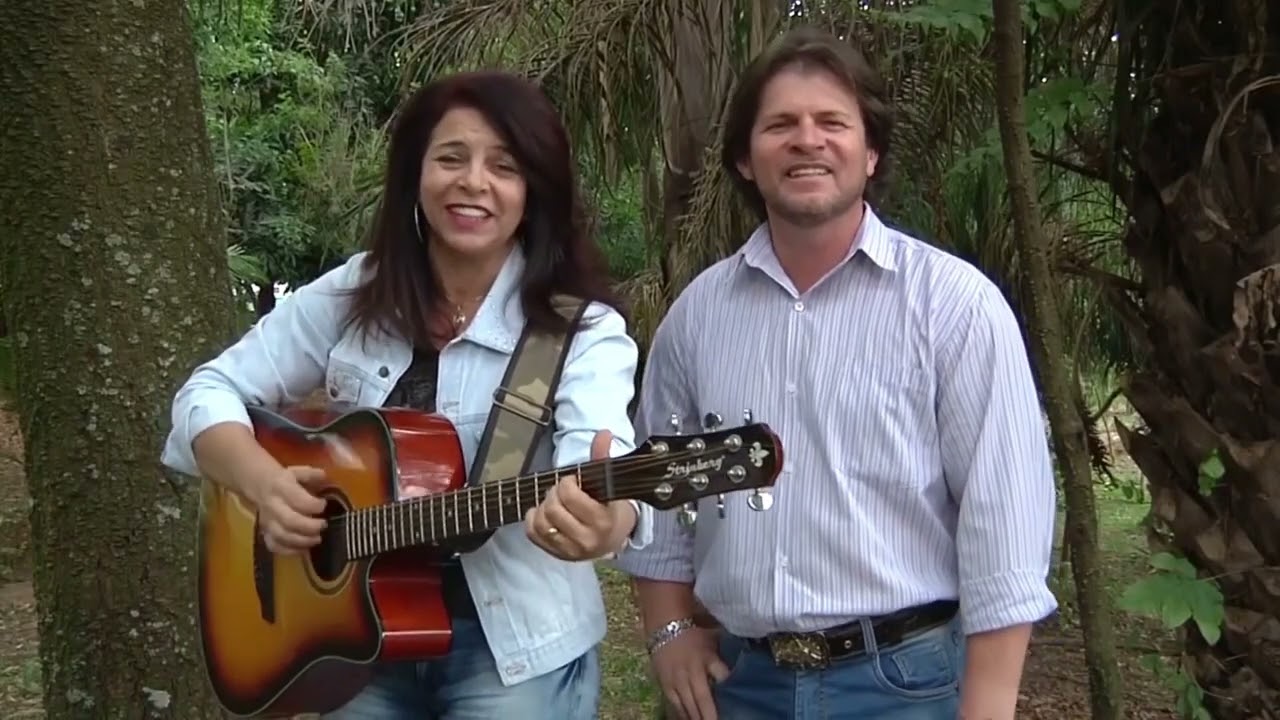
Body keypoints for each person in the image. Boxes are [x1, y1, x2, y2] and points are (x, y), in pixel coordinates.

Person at [160, 70, 653, 719]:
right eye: (451, 158)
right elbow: (208, 390)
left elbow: (599, 457)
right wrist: (262, 484)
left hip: (516, 654)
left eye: (504, 166)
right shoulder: (351, 295)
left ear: (534, 191)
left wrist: (604, 521)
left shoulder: (580, 332)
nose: (473, 181)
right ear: (414, 177)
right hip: (354, 647)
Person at [612, 26, 1058, 720]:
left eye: (832, 122)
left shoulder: (954, 306)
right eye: (780, 124)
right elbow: (659, 493)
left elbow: (1005, 522)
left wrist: (989, 707)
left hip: (904, 686)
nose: (807, 140)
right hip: (741, 684)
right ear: (743, 159)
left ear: (871, 151)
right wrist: (667, 631)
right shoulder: (697, 317)